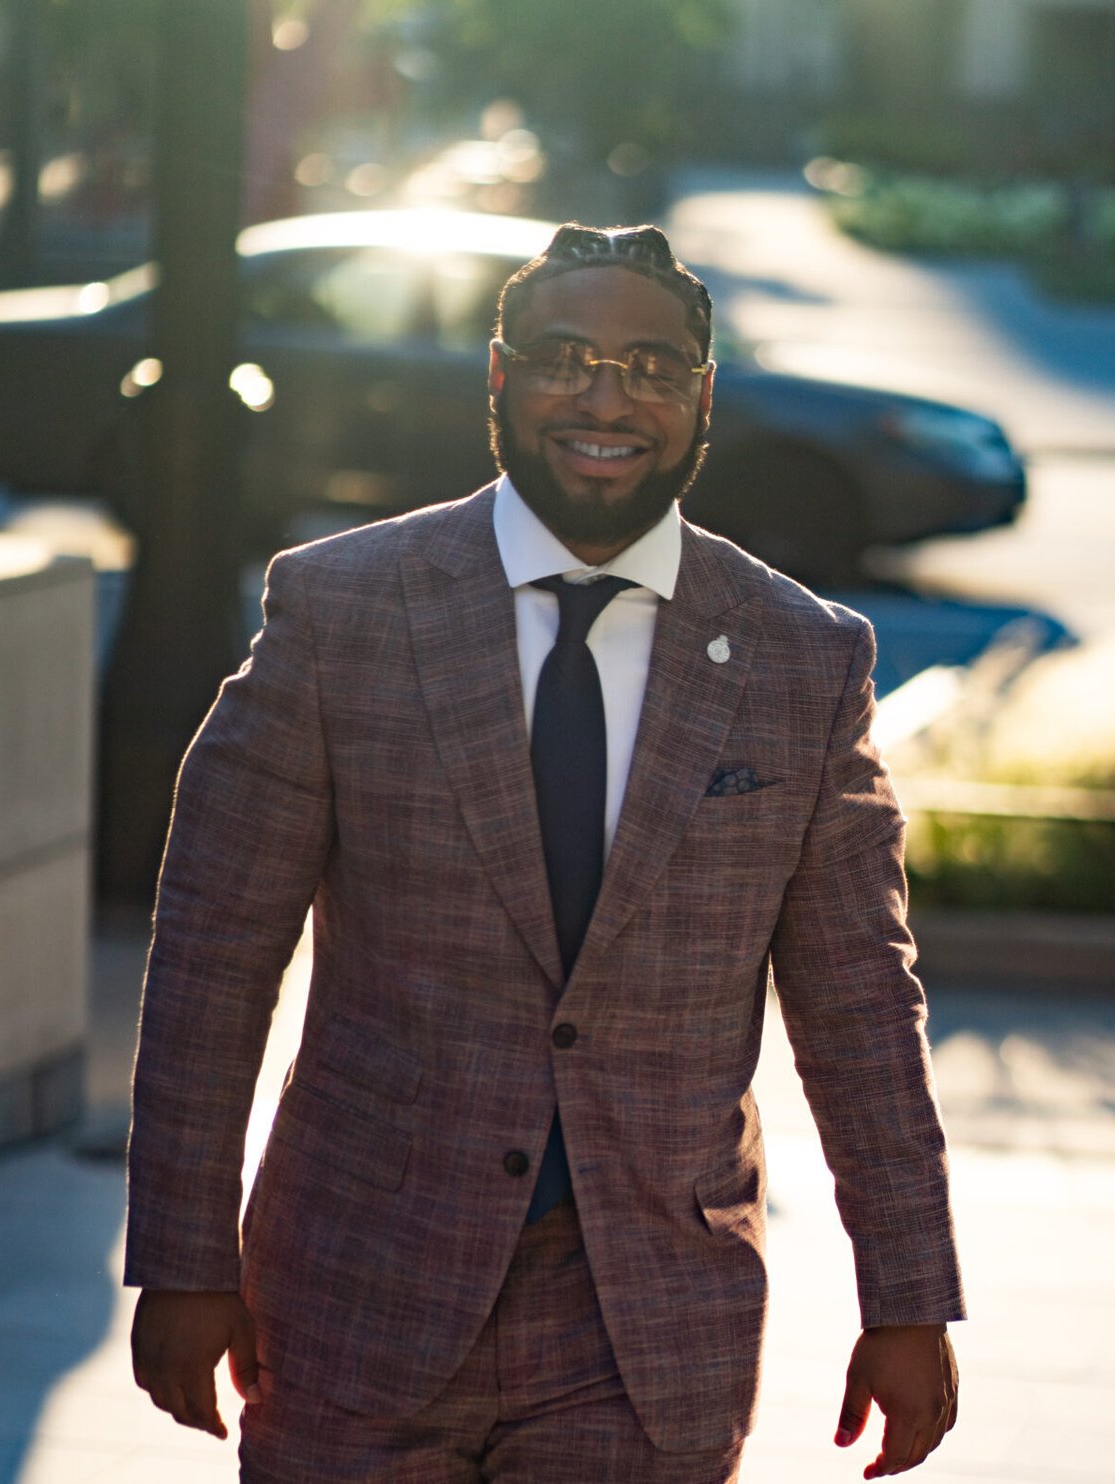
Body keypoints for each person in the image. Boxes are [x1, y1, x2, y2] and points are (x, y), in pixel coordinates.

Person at [126, 222, 964, 1483]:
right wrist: (183, 1254)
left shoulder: (802, 657)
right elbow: (213, 952)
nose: (605, 399)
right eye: (565, 357)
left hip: (643, 1318)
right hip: (359, 1288)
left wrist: (907, 1293)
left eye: (651, 367)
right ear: (499, 377)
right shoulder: (343, 610)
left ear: (702, 398)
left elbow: (859, 997)